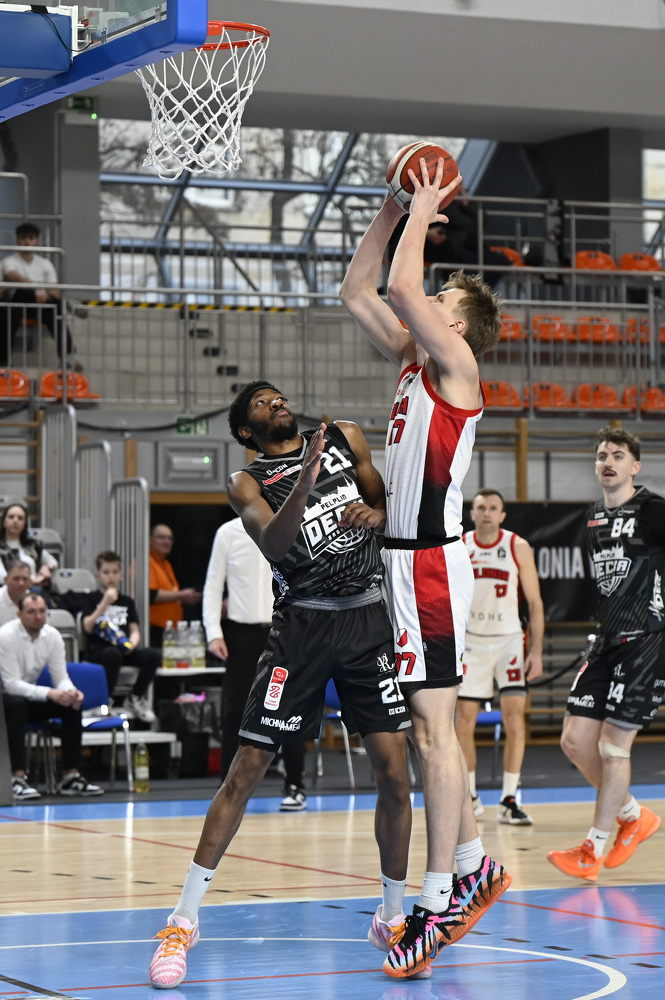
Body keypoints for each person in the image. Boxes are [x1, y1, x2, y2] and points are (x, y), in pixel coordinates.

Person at [148, 380, 413, 990]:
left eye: (278, 397)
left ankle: (393, 916)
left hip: (366, 620)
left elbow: (393, 507)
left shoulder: (344, 436)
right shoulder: (246, 481)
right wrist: (306, 477)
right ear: (247, 430)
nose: (277, 403)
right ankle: (182, 921)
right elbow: (274, 544)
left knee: (395, 773)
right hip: (301, 628)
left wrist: (379, 514)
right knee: (246, 769)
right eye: (262, 404)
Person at [340, 158, 509, 980]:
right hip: (404, 567)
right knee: (424, 732)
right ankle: (472, 864)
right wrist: (389, 208)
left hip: (433, 569)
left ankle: (438, 900)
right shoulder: (413, 359)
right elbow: (357, 290)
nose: (428, 298)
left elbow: (403, 284)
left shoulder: (457, 371)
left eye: (444, 299)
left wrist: (425, 203)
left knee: (435, 735)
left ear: (461, 327)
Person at [547, 426, 664, 881]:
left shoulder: (653, 510)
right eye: (601, 455)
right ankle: (634, 816)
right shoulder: (593, 516)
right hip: (606, 640)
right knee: (575, 742)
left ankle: (591, 850)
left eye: (617, 455)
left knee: (614, 747)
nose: (608, 462)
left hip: (646, 640)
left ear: (635, 466)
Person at [202, 515, 308, 810]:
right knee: (236, 709)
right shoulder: (228, 532)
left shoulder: (295, 526)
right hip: (241, 634)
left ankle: (295, 785)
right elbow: (213, 586)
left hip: (285, 627)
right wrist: (213, 632)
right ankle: (227, 787)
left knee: (290, 706)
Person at [455, 488, 545, 824]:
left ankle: (509, 799)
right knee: (463, 720)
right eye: (481, 507)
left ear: (503, 515)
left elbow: (535, 603)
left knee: (515, 720)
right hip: (472, 642)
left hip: (509, 641)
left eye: (493, 508)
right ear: (472, 513)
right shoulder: (460, 545)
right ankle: (470, 795)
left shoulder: (518, 546)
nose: (487, 513)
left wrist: (536, 652)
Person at [0, 592, 104, 800]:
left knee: (70, 705)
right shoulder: (6, 636)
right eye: (31, 612)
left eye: (42, 611)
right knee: (16, 704)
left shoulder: (53, 636)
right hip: (5, 699)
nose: (38, 617)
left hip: (27, 696)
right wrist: (50, 693)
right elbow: (11, 685)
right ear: (20, 614)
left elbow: (61, 677)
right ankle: (15, 778)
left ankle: (71, 776)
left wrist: (70, 692)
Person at [64, 550, 160, 724]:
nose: (111, 576)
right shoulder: (90, 599)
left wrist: (132, 644)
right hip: (99, 650)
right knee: (112, 654)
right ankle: (104, 701)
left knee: (153, 655)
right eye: (106, 572)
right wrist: (104, 603)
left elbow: (135, 630)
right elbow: (87, 627)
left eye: (115, 572)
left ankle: (136, 697)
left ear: (121, 575)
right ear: (98, 575)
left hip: (123, 648)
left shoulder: (127, 601)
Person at [0, 221, 77, 368]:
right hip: (18, 304)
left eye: (31, 238)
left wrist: (44, 293)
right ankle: (4, 360)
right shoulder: (9, 261)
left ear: (37, 240)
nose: (27, 242)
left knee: (57, 308)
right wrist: (37, 289)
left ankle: (67, 357)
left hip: (42, 305)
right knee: (13, 304)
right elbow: (13, 276)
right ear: (18, 240)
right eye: (23, 238)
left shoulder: (45, 263)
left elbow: (55, 290)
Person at [149, 523, 202, 648]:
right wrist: (181, 595)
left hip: (170, 630)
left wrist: (184, 598)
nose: (166, 542)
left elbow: (170, 593)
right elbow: (150, 594)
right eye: (161, 537)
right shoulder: (147, 562)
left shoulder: (166, 564)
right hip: (154, 630)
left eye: (170, 538)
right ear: (150, 539)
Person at [0, 502, 58, 590]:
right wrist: (33, 582)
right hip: (7, 591)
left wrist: (46, 567)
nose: (15, 520)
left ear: (25, 523)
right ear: (4, 522)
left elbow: (53, 562)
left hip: (35, 590)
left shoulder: (33, 545)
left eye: (20, 518)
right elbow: (2, 578)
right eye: (11, 517)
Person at [0, 560, 32, 627]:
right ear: (6, 580)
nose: (21, 583)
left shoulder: (35, 602)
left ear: (30, 582)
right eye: (16, 578)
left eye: (25, 579)